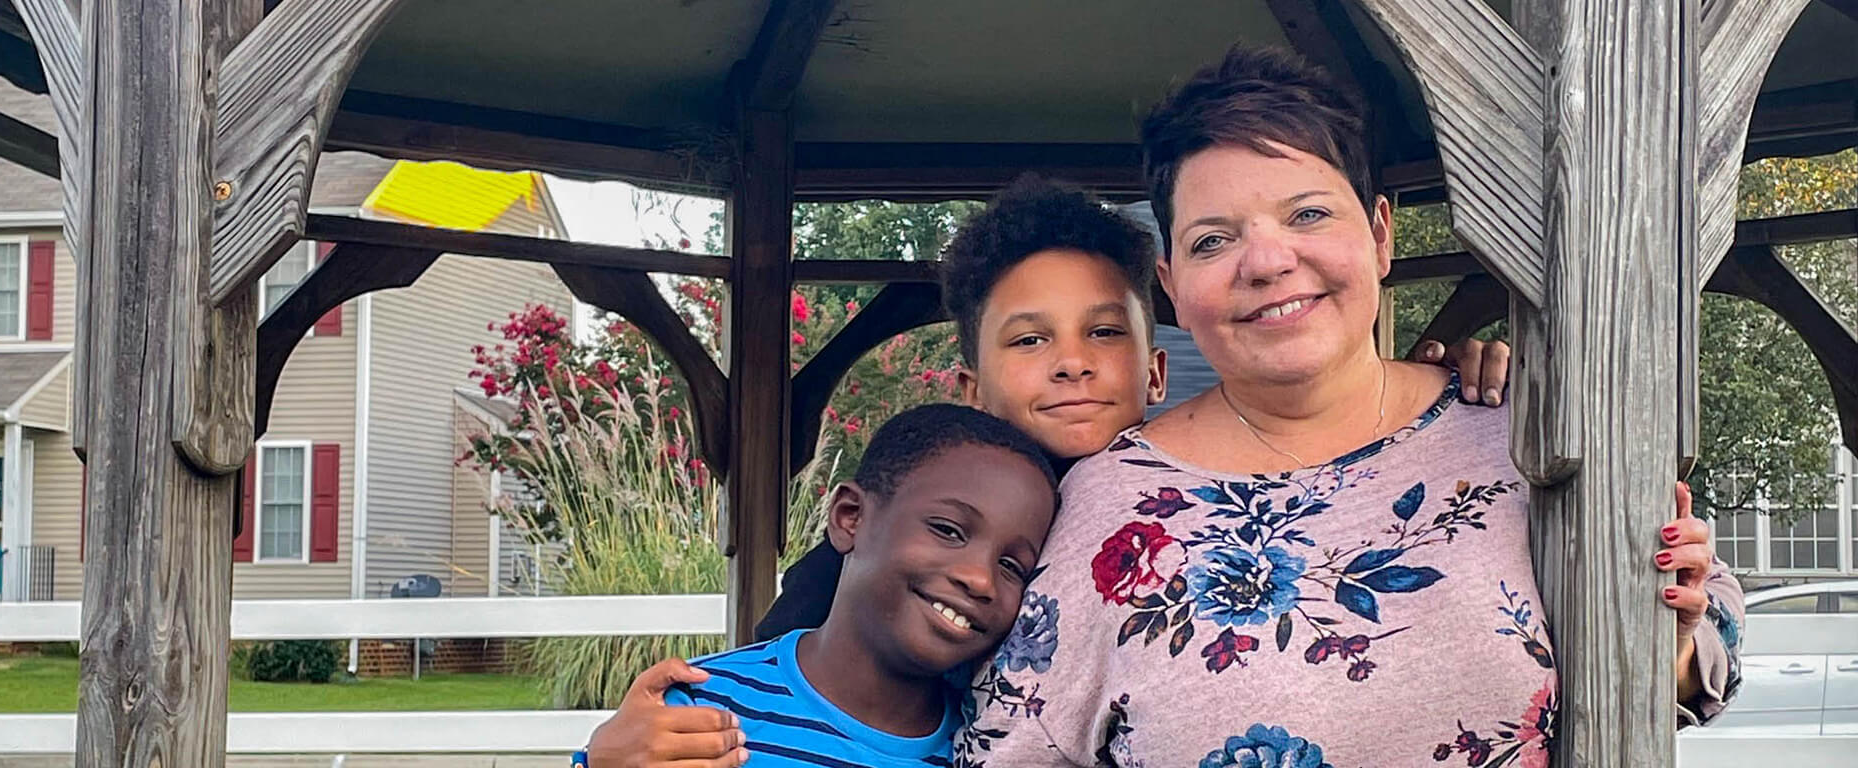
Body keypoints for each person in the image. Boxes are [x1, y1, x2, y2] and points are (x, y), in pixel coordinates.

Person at [955, 46, 1742, 766]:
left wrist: (1661, 646)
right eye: (1212, 241)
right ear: (1171, 288)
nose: (1266, 262)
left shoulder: (1524, 441)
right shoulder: (1105, 505)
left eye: (1307, 214)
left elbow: (1700, 661)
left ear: (1379, 234)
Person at [581, 175, 1520, 767]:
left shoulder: (1192, 506)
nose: (1072, 362)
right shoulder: (895, 537)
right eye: (1029, 340)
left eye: (1104, 333)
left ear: (1155, 372)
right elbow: (783, 679)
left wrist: (1435, 382)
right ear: (970, 384)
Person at [573, 404, 1060, 768]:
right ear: (851, 517)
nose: (980, 578)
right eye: (948, 530)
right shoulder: (703, 714)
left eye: (1012, 566)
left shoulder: (995, 744)